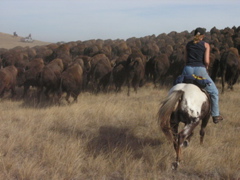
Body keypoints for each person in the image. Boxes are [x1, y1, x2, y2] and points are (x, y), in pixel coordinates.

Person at [182, 27, 223, 124]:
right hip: (199, 71)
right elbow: (206, 61)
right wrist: (206, 67)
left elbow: (185, 59)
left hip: (187, 69)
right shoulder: (206, 45)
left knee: (178, 89)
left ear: (194, 35)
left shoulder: (188, 44)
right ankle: (215, 115)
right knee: (214, 92)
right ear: (203, 36)